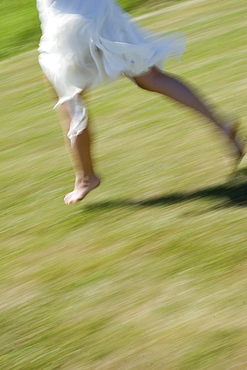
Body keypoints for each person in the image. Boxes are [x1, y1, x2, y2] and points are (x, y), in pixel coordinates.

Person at [36, 0, 244, 204]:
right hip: (101, 11)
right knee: (150, 77)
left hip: (67, 24)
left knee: (70, 102)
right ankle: (221, 125)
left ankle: (86, 177)